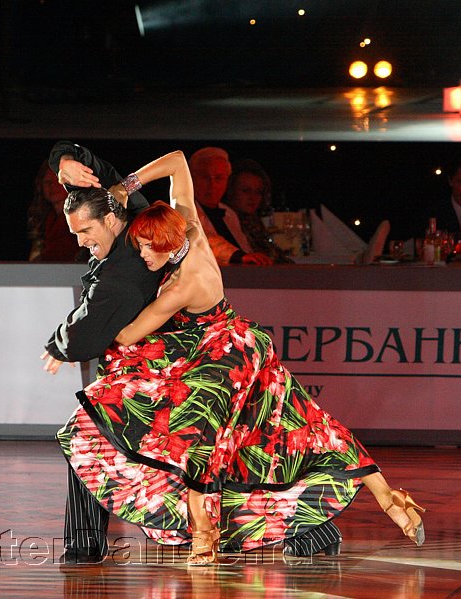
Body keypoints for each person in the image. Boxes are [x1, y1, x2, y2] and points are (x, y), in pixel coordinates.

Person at [57, 150, 426, 566]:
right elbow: (178, 162)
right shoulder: (191, 229)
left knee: (199, 445)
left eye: (144, 249)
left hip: (221, 360)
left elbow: (126, 335)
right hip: (243, 345)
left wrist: (90, 322)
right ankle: (378, 505)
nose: (141, 256)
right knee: (296, 433)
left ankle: (203, 536)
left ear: (162, 244)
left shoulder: (181, 285)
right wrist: (127, 186)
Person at [40, 141, 164, 564]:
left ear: (110, 220)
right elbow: (104, 174)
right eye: (75, 232)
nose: (80, 241)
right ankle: (84, 545)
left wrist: (58, 345)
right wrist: (66, 162)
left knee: (85, 440)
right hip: (153, 364)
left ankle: (83, 547)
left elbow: (87, 334)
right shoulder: (131, 211)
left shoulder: (123, 271)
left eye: (85, 232)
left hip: (154, 372)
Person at [189, 147, 272, 266]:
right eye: (205, 177)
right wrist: (239, 256)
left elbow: (245, 250)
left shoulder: (229, 214)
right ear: (191, 178)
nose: (212, 185)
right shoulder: (182, 211)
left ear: (227, 181)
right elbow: (203, 240)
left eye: (219, 178)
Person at [225, 158, 293, 263]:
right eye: (246, 191)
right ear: (231, 191)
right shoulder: (225, 223)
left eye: (258, 192)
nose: (253, 197)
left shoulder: (254, 224)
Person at [27, 160, 84, 262]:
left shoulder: (82, 215)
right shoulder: (46, 217)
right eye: (47, 182)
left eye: (58, 181)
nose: (52, 186)